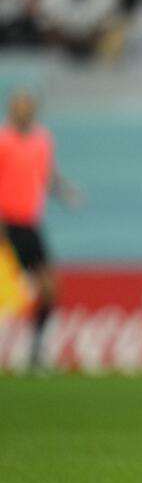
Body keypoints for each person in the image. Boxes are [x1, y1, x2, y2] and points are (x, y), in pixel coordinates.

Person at [0, 90, 80, 369]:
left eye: (27, 106)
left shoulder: (43, 140)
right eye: (17, 106)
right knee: (6, 291)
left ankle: (36, 349)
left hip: (29, 223)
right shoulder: (3, 141)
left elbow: (45, 175)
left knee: (49, 288)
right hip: (5, 224)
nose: (22, 111)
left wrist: (64, 191)